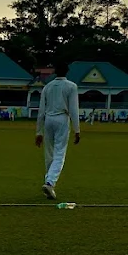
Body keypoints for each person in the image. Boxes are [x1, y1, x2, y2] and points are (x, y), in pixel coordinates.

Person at [35, 61, 80, 200]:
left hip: (48, 119)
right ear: (67, 72)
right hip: (61, 118)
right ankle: (50, 182)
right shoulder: (71, 86)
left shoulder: (47, 87)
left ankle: (49, 183)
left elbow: (41, 110)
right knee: (60, 153)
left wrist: (39, 132)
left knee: (49, 154)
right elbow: (73, 109)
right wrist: (77, 129)